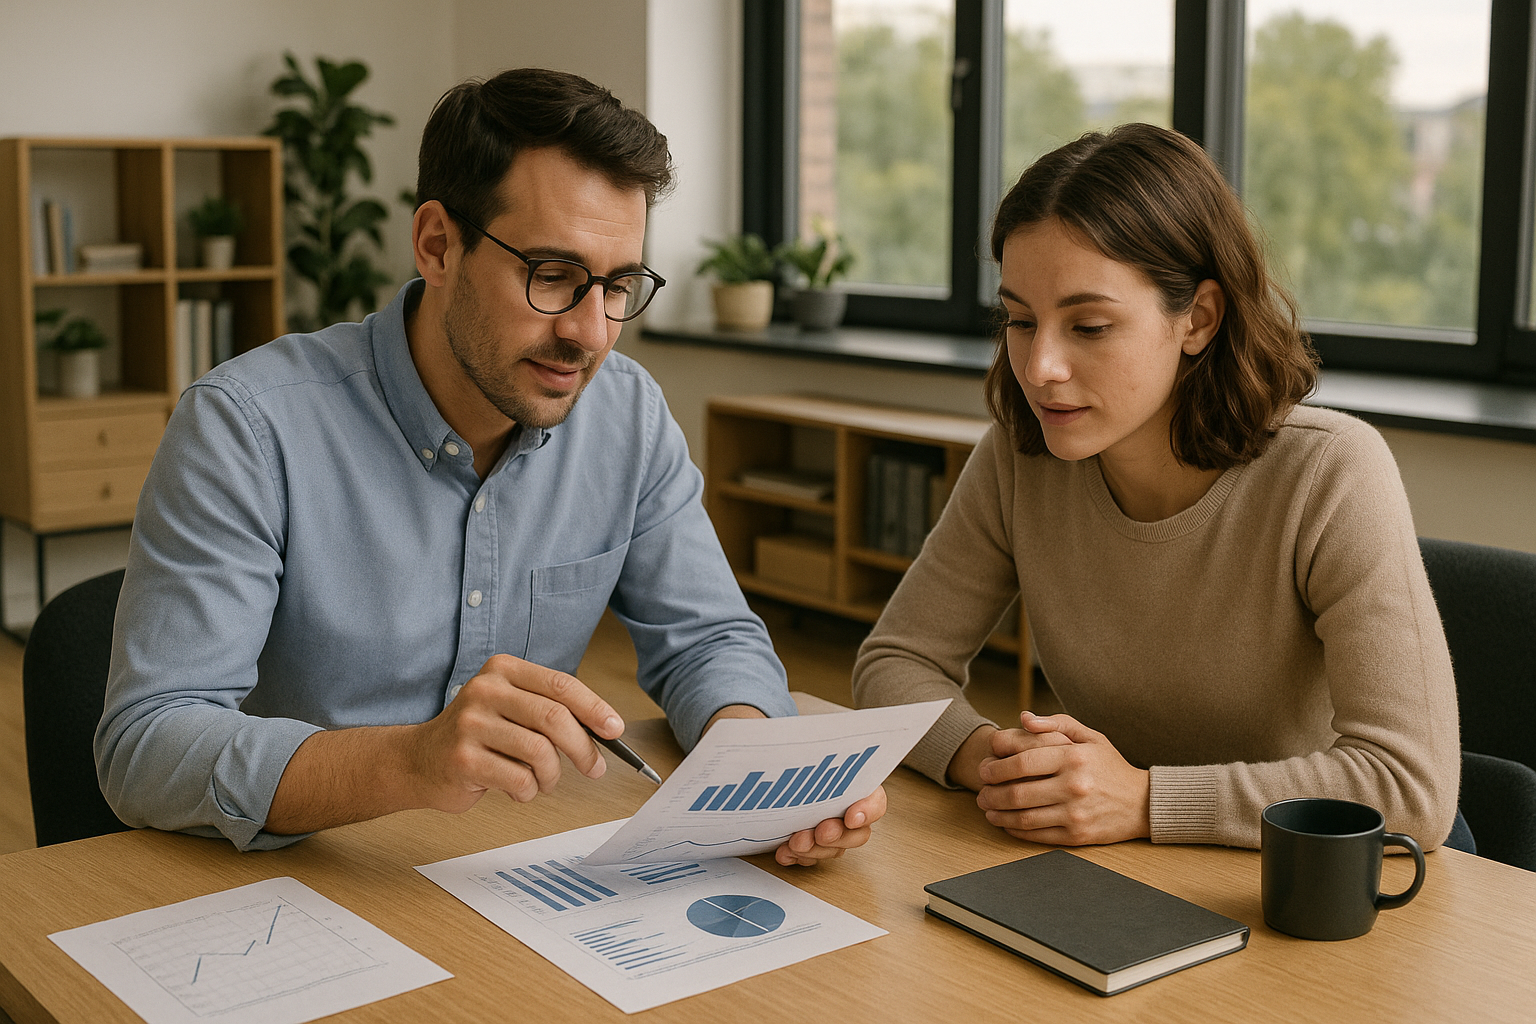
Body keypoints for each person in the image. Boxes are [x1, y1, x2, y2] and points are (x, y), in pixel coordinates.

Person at [96, 68, 883, 863]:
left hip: (512, 872)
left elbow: (709, 638)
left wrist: (752, 773)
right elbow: (148, 746)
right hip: (298, 881)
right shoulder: (247, 428)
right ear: (438, 244)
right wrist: (408, 762)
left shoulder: (628, 417)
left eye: (618, 286)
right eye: (554, 276)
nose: (592, 332)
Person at [851, 123, 1461, 851]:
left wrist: (1145, 800)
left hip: (1321, 878)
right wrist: (999, 765)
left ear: (1197, 318)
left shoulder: (1332, 473)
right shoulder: (1022, 459)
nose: (1040, 365)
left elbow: (1410, 788)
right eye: (1019, 320)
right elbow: (894, 664)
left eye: (1090, 326)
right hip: (1132, 865)